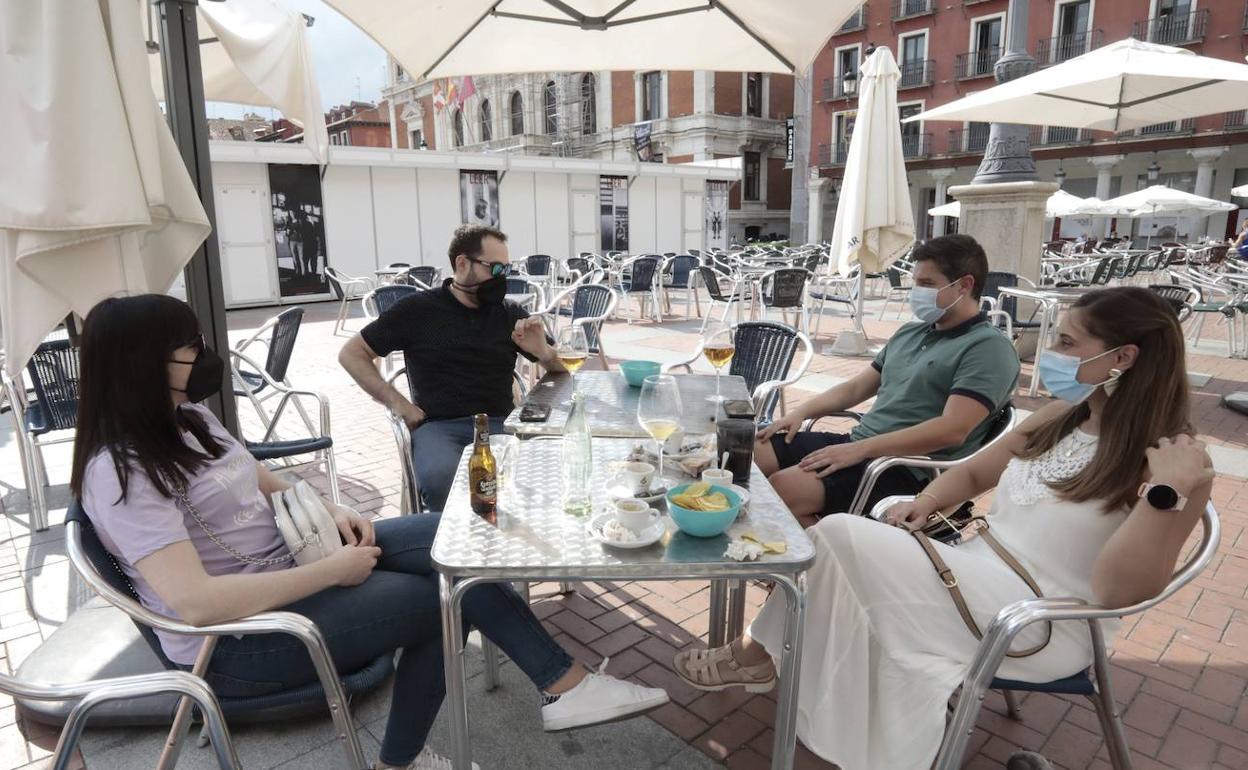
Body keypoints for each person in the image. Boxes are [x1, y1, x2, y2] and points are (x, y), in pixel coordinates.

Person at [72, 295, 668, 770]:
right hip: (240, 642)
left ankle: (562, 689)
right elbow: (195, 604)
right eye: (190, 347)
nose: (205, 354)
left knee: (457, 536)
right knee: (445, 603)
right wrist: (332, 571)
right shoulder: (121, 474)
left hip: (297, 565)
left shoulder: (186, 418)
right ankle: (544, 697)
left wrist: (329, 510)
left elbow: (257, 475)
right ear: (143, 363)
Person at [672, 287, 1213, 770]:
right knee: (846, 553)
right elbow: (977, 469)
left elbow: (1122, 593)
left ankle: (760, 659)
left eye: (1068, 343)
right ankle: (771, 664)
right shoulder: (1063, 415)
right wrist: (926, 502)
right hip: (973, 570)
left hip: (1040, 621)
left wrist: (1164, 497)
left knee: (839, 536)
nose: (1052, 355)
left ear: (1122, 358)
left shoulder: (1174, 462)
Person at [755, 234, 1020, 521]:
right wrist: (801, 412)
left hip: (911, 468)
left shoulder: (988, 348)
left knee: (785, 489)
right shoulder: (912, 332)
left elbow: (952, 429)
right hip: (861, 443)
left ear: (964, 286)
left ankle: (828, 558)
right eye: (916, 282)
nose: (917, 292)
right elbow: (857, 387)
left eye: (927, 284)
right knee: (750, 453)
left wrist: (859, 450)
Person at [339, 224, 564, 511]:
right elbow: (351, 354)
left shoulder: (510, 314)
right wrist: (399, 403)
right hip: (440, 427)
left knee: (544, 475)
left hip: (500, 423)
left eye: (506, 271)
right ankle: (456, 551)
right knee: (444, 481)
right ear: (462, 263)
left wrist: (543, 352)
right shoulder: (418, 310)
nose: (501, 279)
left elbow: (561, 370)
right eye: (494, 269)